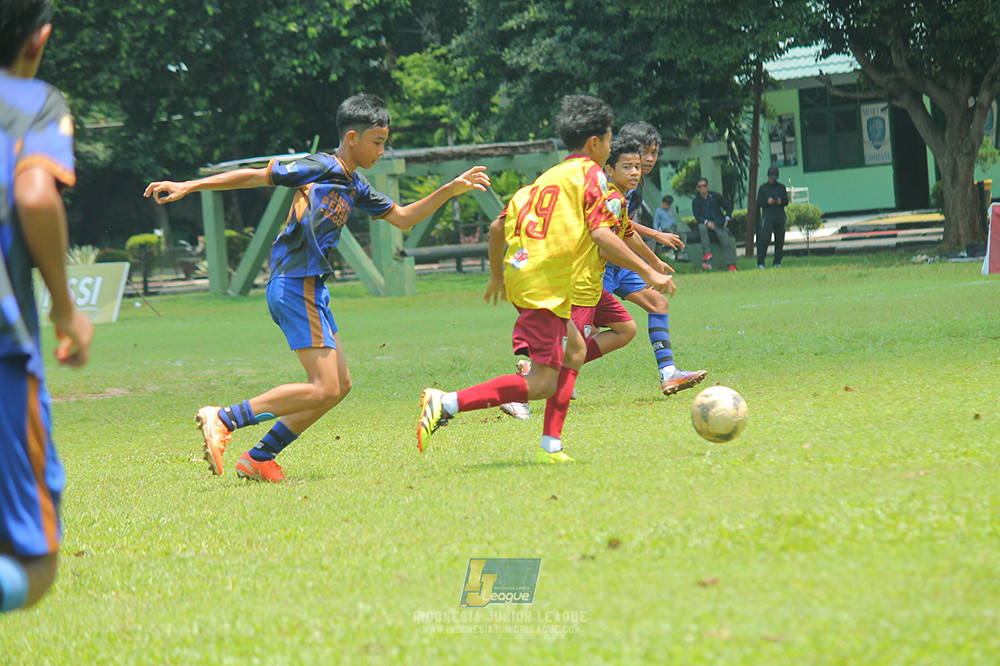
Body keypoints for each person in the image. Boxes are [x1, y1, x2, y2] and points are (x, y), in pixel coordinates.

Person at [144, 93, 489, 482]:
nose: (381, 151)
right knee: (323, 386)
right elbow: (256, 175)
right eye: (378, 143)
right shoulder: (319, 165)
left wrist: (449, 190)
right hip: (294, 284)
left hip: (312, 289)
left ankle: (259, 458)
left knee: (339, 386)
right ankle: (223, 418)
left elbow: (404, 218)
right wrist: (190, 185)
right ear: (353, 137)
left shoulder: (354, 184)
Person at [417, 95, 672, 463]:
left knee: (576, 351)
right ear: (595, 143)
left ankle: (550, 446)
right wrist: (648, 270)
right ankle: (447, 402)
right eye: (609, 138)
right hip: (547, 285)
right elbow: (604, 235)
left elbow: (496, 226)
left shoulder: (548, 177)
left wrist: (496, 277)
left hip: (527, 276)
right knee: (541, 383)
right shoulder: (592, 178)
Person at [1, 0, 95, 613]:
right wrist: (66, 309)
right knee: (36, 563)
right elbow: (35, 197)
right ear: (39, 39)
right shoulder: (32, 101)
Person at [602, 141, 707, 396]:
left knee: (658, 304)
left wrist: (653, 261)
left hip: (620, 267)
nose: (638, 169)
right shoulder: (608, 195)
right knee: (589, 332)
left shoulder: (624, 196)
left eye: (642, 162)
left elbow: (626, 231)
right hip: (599, 270)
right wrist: (648, 265)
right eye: (629, 166)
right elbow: (606, 241)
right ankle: (536, 374)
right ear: (609, 168)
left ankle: (669, 374)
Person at [692, 178, 736, 271]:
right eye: (700, 186)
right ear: (697, 188)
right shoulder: (696, 201)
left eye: (704, 185)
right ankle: (707, 254)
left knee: (726, 241)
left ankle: (731, 265)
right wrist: (707, 222)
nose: (702, 188)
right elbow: (697, 215)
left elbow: (727, 205)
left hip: (718, 222)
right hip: (704, 223)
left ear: (708, 186)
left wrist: (727, 218)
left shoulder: (715, 196)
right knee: (701, 227)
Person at [756, 165, 788, 268]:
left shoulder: (781, 188)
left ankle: (777, 262)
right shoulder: (763, 188)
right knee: (764, 239)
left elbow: (786, 201)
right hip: (768, 216)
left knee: (779, 239)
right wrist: (767, 201)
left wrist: (780, 201)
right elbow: (759, 202)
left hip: (779, 215)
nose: (773, 179)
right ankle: (761, 262)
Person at [653, 195, 688, 261]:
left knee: (683, 235)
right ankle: (677, 253)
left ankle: (682, 253)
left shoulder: (670, 211)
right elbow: (656, 221)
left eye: (669, 205)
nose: (667, 206)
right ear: (662, 203)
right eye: (666, 204)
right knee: (675, 236)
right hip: (666, 228)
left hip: (673, 226)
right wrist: (656, 230)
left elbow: (671, 221)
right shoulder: (659, 211)